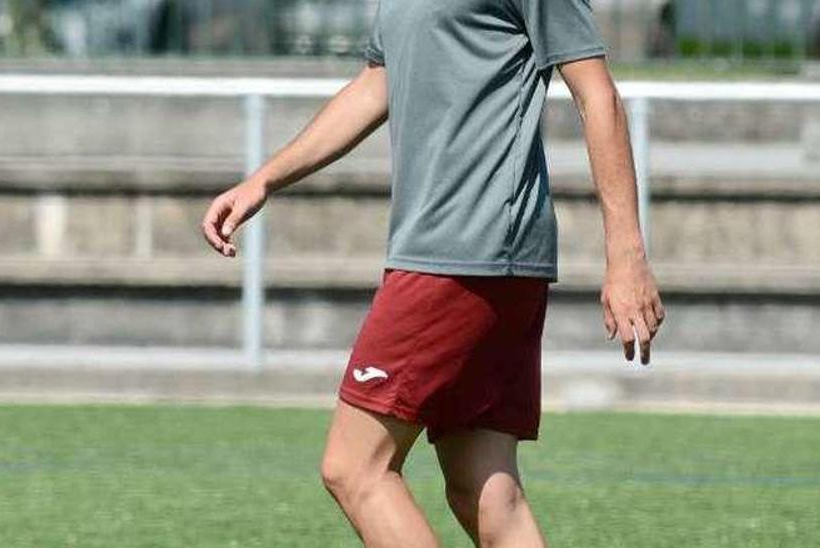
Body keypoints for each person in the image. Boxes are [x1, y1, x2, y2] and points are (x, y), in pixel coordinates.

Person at [201, 0, 665, 545]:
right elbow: (377, 83)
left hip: (468, 249)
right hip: (462, 252)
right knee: (484, 489)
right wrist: (265, 180)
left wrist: (627, 255)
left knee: (355, 469)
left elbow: (598, 95)